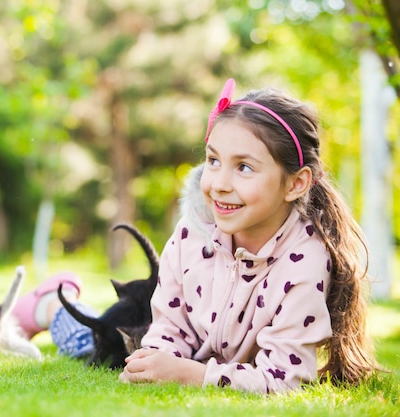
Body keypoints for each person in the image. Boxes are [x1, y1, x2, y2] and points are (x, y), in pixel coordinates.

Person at [118, 78, 380, 392]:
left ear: (295, 184)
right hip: (154, 339)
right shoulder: (191, 235)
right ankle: (49, 305)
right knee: (98, 336)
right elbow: (169, 327)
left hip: (213, 370)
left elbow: (284, 380)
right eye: (213, 160)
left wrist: (192, 375)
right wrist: (156, 361)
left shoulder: (303, 263)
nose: (219, 184)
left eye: (243, 167)